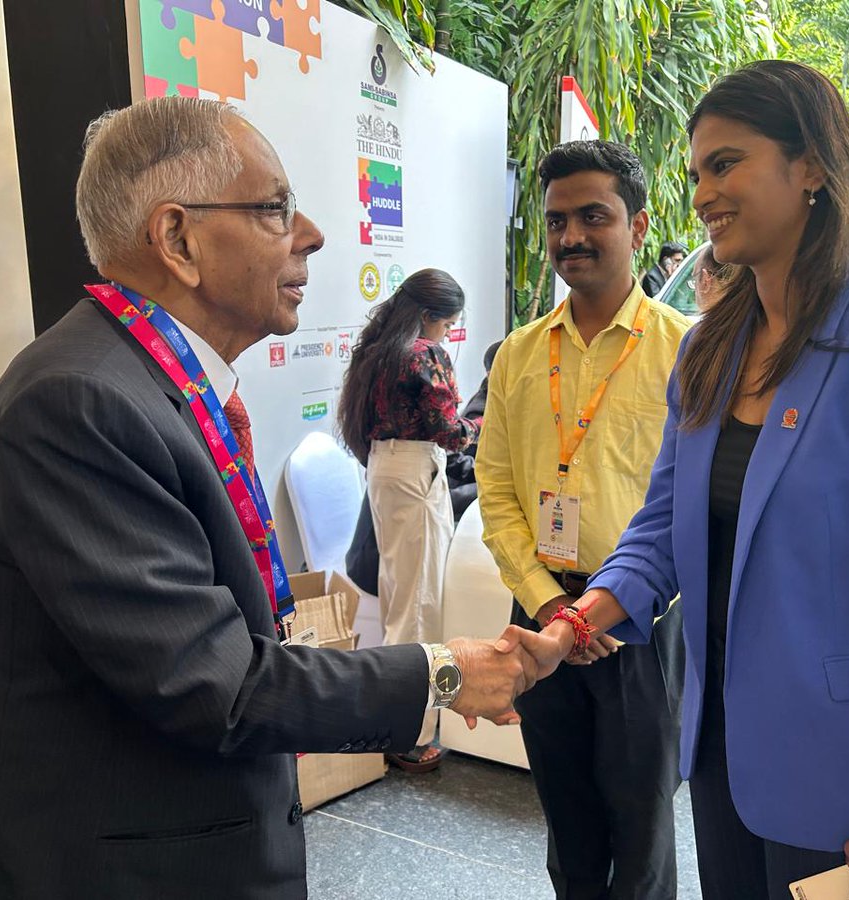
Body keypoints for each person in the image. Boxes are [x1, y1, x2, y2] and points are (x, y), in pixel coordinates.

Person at [0, 97, 552, 899]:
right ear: (178, 239)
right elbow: (212, 683)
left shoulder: (151, 382)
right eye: (275, 208)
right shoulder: (79, 405)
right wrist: (441, 671)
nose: (311, 235)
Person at [506, 61, 849, 899]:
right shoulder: (709, 349)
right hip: (721, 753)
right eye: (696, 172)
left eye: (725, 164)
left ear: (811, 167)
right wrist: (575, 622)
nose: (703, 193)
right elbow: (661, 527)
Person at [476, 139, 691, 899]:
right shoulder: (519, 354)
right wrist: (546, 604)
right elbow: (495, 489)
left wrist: (599, 614)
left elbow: (692, 509)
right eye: (557, 220)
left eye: (593, 216)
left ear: (637, 227)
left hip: (641, 623)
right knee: (566, 826)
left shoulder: (688, 350)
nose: (571, 236)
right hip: (539, 615)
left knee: (642, 832)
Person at [336, 269, 481, 773]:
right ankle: (408, 734)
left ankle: (396, 720)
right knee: (419, 606)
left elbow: (355, 426)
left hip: (386, 467)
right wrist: (487, 421)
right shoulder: (424, 353)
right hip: (417, 470)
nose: (449, 334)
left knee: (403, 596)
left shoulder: (375, 349)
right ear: (429, 316)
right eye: (449, 324)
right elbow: (451, 431)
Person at [343, 340, 502, 599]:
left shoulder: (382, 355)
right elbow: (453, 446)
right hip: (382, 549)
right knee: (419, 605)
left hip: (392, 530)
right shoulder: (478, 407)